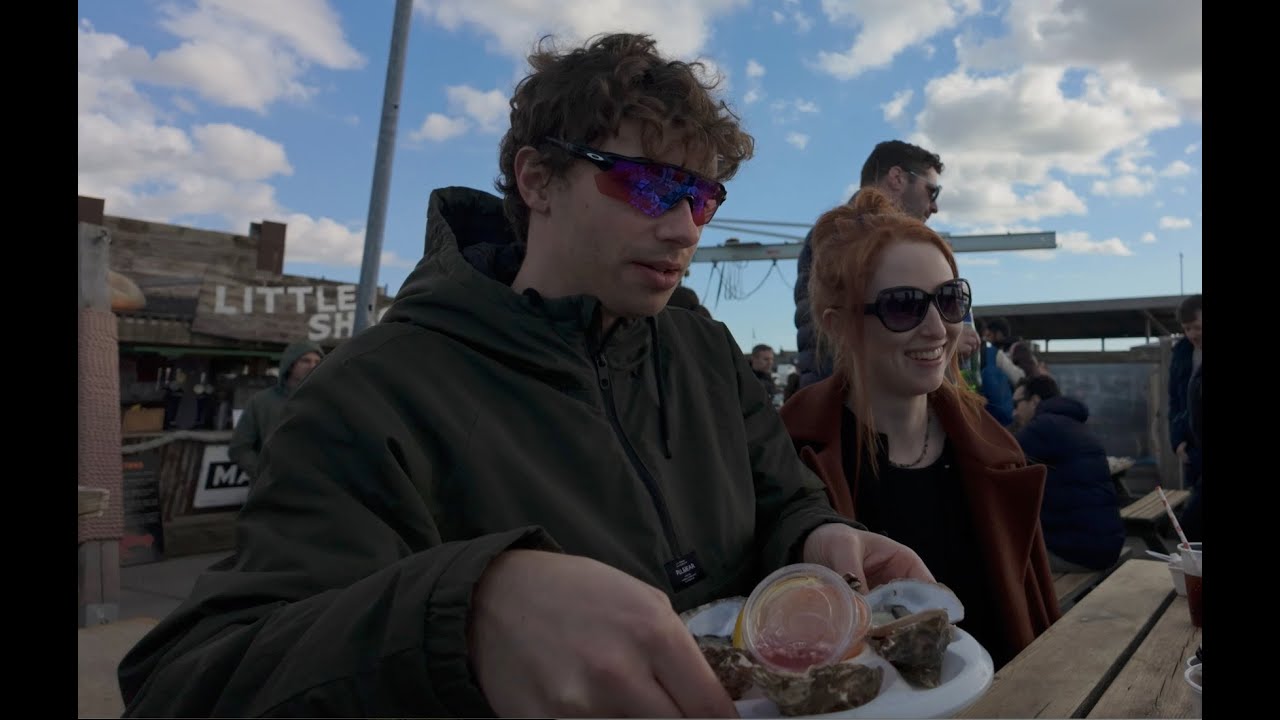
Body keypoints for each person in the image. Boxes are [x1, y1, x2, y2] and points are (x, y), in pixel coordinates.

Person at [117, 33, 932, 718]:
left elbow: (781, 494)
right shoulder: (372, 394)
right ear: (538, 180)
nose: (684, 226)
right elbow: (186, 680)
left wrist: (817, 536)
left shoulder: (704, 352)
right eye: (647, 182)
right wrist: (463, 613)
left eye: (704, 198)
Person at [780, 188, 1060, 670]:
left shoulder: (993, 450)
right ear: (840, 324)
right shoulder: (791, 456)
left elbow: (1031, 618)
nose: (937, 329)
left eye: (950, 300)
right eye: (904, 305)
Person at [794, 140, 944, 389]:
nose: (935, 206)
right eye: (932, 191)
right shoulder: (851, 236)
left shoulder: (841, 234)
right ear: (897, 177)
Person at [1012, 375, 1125, 572]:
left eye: (1017, 403)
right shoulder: (1075, 425)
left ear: (1035, 401)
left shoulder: (1043, 427)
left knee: (1001, 559)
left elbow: (999, 456)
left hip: (1076, 554)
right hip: (1106, 545)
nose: (1014, 412)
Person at [226, 340, 324, 478]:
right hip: (271, 491)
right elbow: (239, 448)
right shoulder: (262, 401)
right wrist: (264, 474)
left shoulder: (326, 401)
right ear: (290, 365)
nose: (312, 366)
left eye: (317, 361)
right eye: (305, 361)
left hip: (317, 490)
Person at [1169, 293, 1202, 540]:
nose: (1192, 334)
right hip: (1191, 448)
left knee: (1191, 525)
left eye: (1198, 327)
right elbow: (1175, 401)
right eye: (1187, 328)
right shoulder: (1181, 351)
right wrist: (1176, 439)